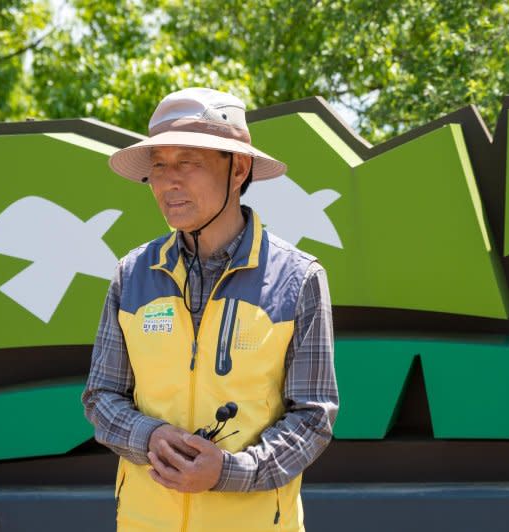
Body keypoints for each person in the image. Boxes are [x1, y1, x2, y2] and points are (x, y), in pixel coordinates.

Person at [82, 87, 339, 531]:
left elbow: (313, 417)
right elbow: (101, 397)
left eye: (188, 162)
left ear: (238, 168)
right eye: (158, 165)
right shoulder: (132, 273)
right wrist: (150, 438)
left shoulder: (298, 278)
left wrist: (227, 472)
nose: (167, 182)